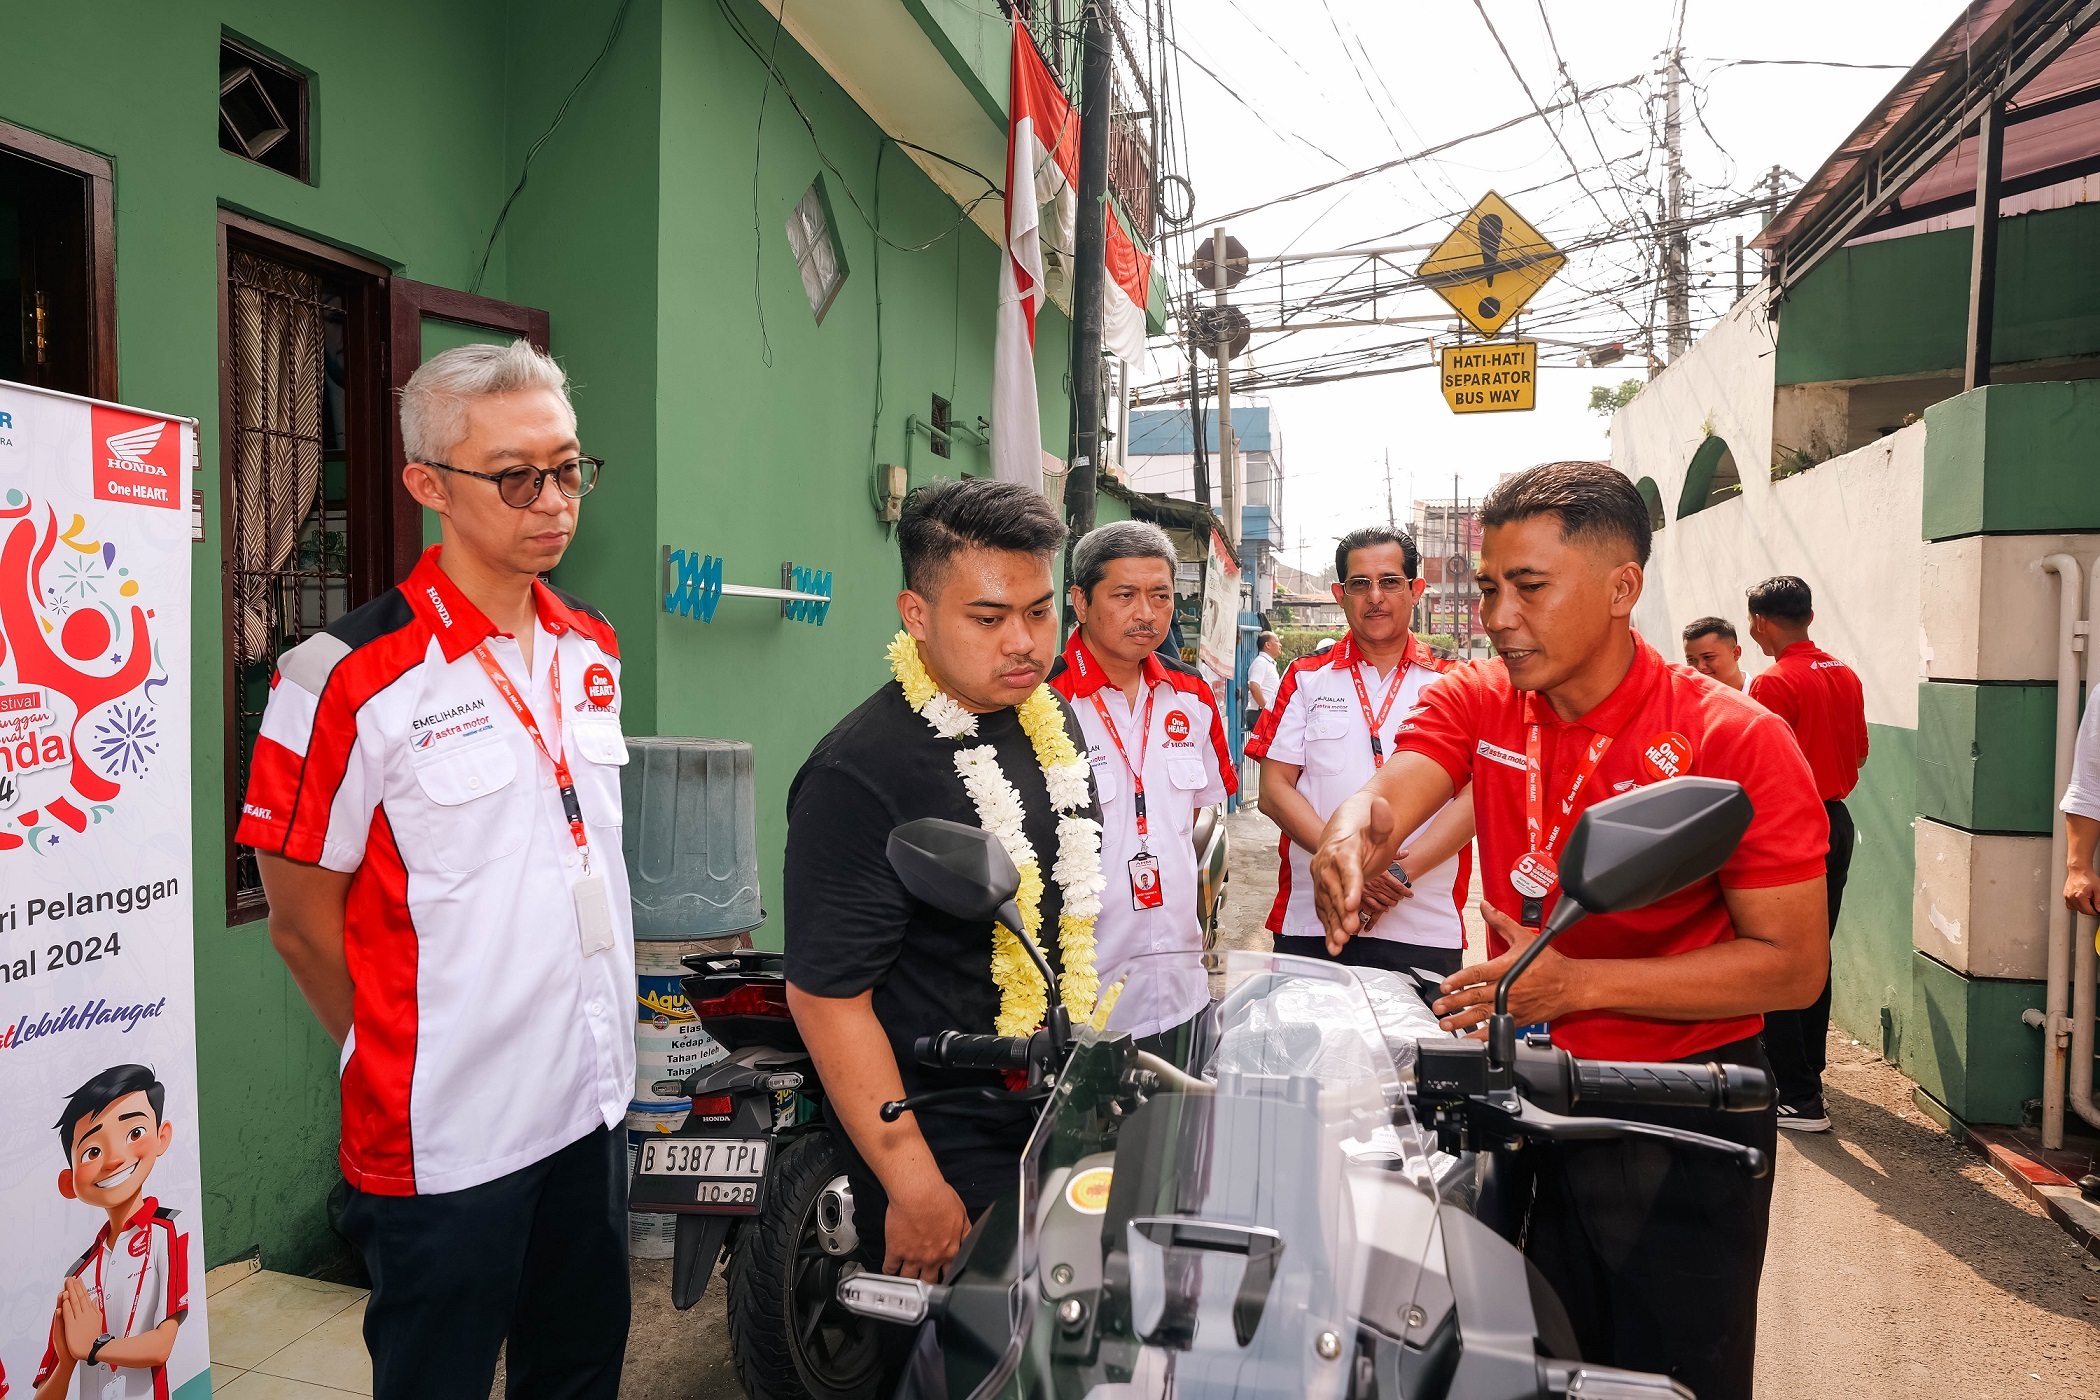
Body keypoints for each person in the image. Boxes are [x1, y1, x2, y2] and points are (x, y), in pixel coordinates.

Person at [1309, 462, 1829, 1400]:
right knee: (1508, 1356)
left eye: (1529, 589)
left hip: (1675, 1104)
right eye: (1489, 589)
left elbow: (1792, 967)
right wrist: (1352, 830)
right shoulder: (1483, 697)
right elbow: (1398, 789)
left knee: (1664, 1371)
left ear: (1623, 587)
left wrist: (1578, 985)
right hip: (1513, 1087)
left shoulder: (1734, 740)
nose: (1499, 616)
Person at [239, 341, 632, 1399]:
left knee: (580, 1369)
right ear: (426, 485)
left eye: (570, 468)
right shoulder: (341, 680)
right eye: (516, 476)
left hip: (588, 1103)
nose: (553, 502)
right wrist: (402, 1049)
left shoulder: (589, 646)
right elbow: (300, 921)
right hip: (446, 1138)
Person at [783, 479, 1101, 1289]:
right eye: (989, 619)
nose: (1025, 642)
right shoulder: (861, 772)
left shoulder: (1047, 722)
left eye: (1039, 611)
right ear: (916, 615)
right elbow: (827, 998)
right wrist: (914, 1183)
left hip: (1053, 1113)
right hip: (941, 1137)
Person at [1247, 527, 1473, 976]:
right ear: (1340, 593)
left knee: (1419, 1048)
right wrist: (1346, 863)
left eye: (1390, 582)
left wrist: (1396, 875)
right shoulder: (1305, 677)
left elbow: (1478, 797)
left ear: (1416, 590)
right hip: (1313, 920)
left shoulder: (1456, 681)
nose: (1375, 597)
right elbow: (1274, 791)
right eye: (1360, 584)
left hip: (1424, 925)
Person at [1050, 521, 1234, 1054]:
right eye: (1125, 595)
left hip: (1183, 990)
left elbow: (1201, 822)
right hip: (1082, 1006)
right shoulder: (1042, 702)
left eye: (1161, 596)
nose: (1147, 614)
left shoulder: (1193, 698)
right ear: (1081, 601)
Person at [1746, 575, 1868, 1132]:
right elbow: (1860, 752)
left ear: (1759, 622)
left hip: (1790, 830)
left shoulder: (1773, 684)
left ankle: (1796, 1094)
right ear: (1810, 617)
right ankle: (1807, 1075)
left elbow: (1759, 771)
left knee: (1776, 960)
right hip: (1836, 820)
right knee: (1814, 953)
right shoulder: (1846, 673)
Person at [35, 1066, 188, 1400]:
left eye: (134, 1133)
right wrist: (66, 1361)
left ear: (161, 1137)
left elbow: (162, 1345)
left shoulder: (167, 1234)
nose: (115, 1159)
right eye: (92, 1152)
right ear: (69, 1182)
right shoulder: (78, 1275)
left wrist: (94, 1348)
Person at [1683, 615, 1747, 691]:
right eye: (1691, 659)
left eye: (1708, 657)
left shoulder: (1761, 696)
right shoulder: (1685, 701)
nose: (1700, 667)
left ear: (1736, 653)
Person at [1247, 630, 1283, 731]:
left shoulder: (1268, 663)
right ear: (1268, 645)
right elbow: (1254, 686)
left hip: (1263, 712)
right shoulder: (1261, 663)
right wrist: (1266, 708)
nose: (1280, 644)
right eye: (1276, 641)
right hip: (1259, 713)